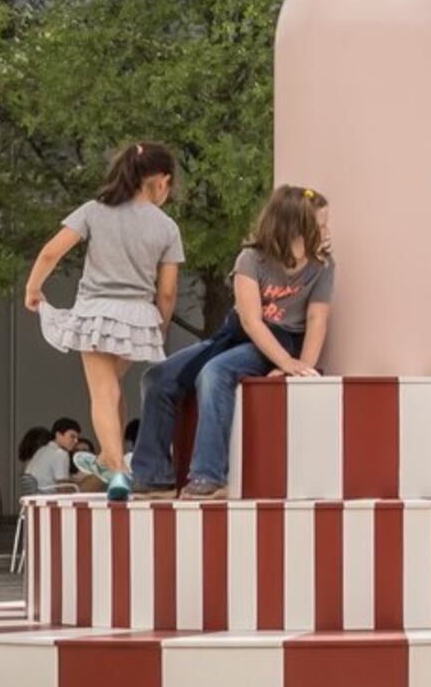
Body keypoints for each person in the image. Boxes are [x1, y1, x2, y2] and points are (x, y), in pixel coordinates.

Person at [131, 185, 335, 497]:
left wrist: (301, 366)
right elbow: (251, 321)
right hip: (242, 334)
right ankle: (154, 475)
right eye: (319, 225)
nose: (326, 232)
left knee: (215, 373)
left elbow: (317, 319)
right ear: (294, 228)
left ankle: (209, 475)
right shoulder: (251, 259)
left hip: (283, 340)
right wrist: (286, 363)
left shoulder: (321, 266)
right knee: (157, 377)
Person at [22, 141, 185, 499]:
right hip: (138, 315)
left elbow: (50, 252)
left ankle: (118, 471)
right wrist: (159, 325)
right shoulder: (167, 226)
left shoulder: (95, 210)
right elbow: (168, 291)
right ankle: (108, 459)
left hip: (96, 311)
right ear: (162, 181)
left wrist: (33, 288)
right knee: (113, 387)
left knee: (103, 391)